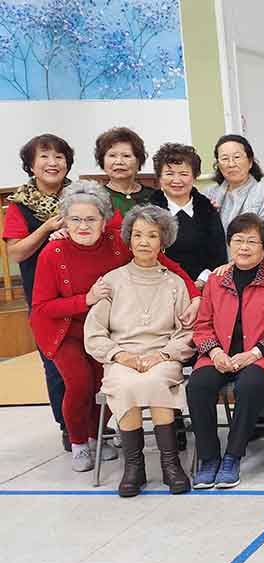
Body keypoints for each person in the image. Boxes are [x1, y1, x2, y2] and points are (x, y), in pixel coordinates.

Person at [31, 182, 200, 473]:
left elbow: (167, 264)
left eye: (91, 219)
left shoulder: (117, 241)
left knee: (105, 381)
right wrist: (86, 299)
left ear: (104, 220)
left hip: (109, 328)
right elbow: (42, 308)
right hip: (64, 329)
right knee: (79, 383)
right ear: (64, 221)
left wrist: (195, 296)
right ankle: (78, 441)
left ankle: (98, 434)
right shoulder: (53, 252)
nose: (83, 225)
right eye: (75, 219)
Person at [83, 205, 196, 497]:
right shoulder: (111, 281)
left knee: (156, 380)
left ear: (163, 241)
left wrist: (163, 355)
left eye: (152, 235)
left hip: (163, 356)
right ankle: (134, 467)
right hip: (122, 357)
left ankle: (171, 465)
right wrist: (122, 357)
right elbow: (94, 333)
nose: (144, 241)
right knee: (124, 383)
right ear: (129, 239)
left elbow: (187, 333)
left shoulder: (175, 283)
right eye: (137, 235)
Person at [187, 214, 264, 490]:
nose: (244, 247)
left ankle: (232, 457)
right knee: (198, 384)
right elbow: (202, 326)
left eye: (251, 241)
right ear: (229, 244)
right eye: (238, 240)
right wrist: (215, 354)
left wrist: (253, 354)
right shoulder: (216, 280)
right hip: (220, 356)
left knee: (249, 383)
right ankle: (209, 458)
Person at [3, 133, 73, 450]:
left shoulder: (81, 196)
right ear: (31, 166)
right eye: (44, 156)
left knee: (90, 362)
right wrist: (47, 228)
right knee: (56, 364)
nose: (52, 162)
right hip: (44, 299)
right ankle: (68, 428)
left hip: (83, 294)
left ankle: (97, 425)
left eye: (59, 156)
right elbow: (16, 252)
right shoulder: (20, 205)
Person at [149, 143, 227, 289]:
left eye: (184, 174)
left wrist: (202, 281)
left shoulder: (208, 210)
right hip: (159, 286)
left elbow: (218, 255)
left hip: (205, 286)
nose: (176, 180)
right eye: (169, 173)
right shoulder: (148, 212)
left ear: (194, 177)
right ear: (159, 177)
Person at [203, 134, 264, 228]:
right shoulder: (209, 193)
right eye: (225, 158)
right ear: (218, 165)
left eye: (237, 157)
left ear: (250, 162)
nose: (231, 164)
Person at [94, 127, 157, 216]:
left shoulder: (154, 197)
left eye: (126, 156)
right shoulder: (96, 197)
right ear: (102, 161)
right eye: (112, 155)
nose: (119, 161)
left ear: (138, 161)